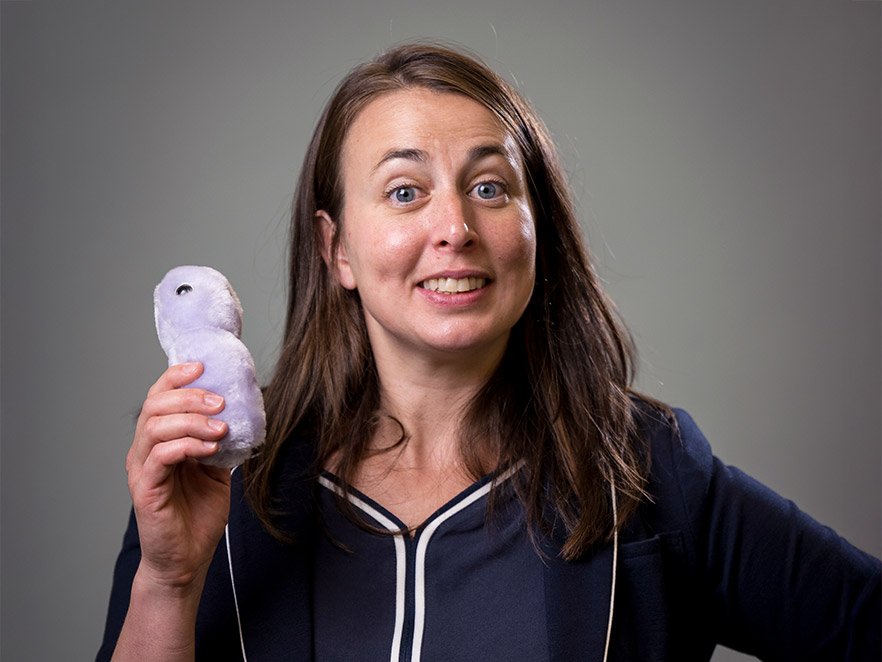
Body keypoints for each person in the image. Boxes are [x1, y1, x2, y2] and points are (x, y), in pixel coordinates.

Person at [98, 43, 880, 661]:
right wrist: (167, 582)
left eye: (490, 188)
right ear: (336, 249)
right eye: (405, 192)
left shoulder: (650, 471)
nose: (455, 228)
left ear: (538, 227)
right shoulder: (219, 476)